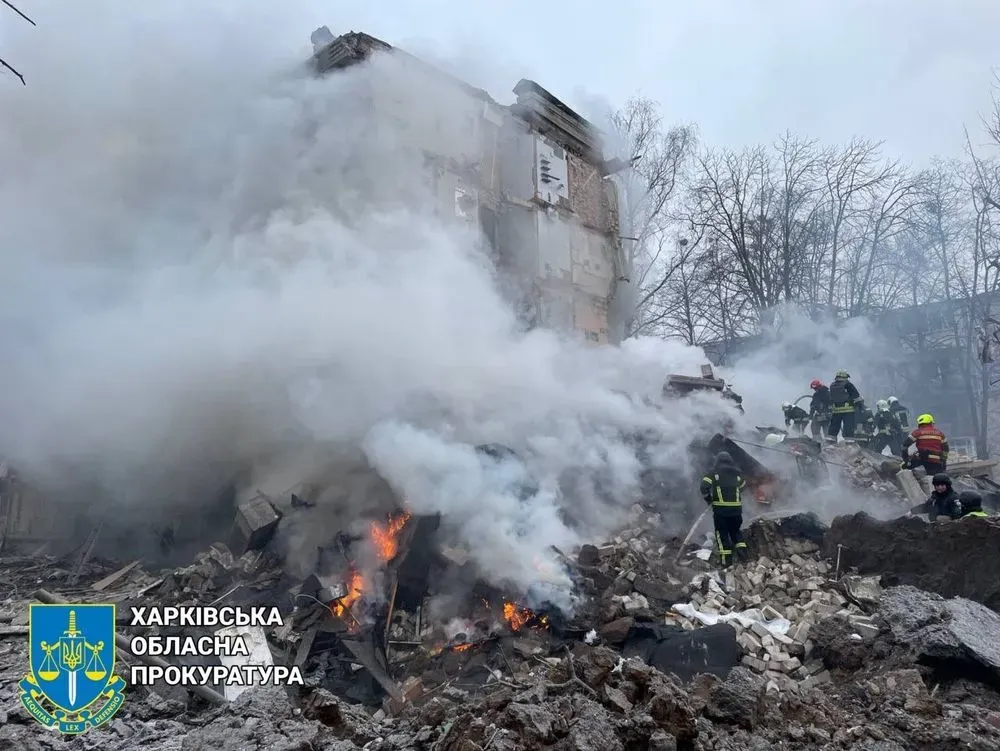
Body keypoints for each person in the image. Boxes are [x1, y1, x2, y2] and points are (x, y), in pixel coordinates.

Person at [700, 451, 749, 568]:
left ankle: (726, 563)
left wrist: (709, 499)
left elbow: (703, 486)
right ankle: (744, 559)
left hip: (721, 511)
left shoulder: (714, 473)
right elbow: (743, 485)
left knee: (722, 535)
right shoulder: (737, 474)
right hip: (736, 511)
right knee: (736, 532)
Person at [828, 370, 862, 442]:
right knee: (849, 426)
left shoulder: (832, 385)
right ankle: (849, 443)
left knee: (834, 426)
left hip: (836, 410)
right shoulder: (848, 384)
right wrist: (860, 407)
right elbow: (856, 396)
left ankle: (831, 442)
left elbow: (830, 398)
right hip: (848, 410)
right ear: (845, 377)